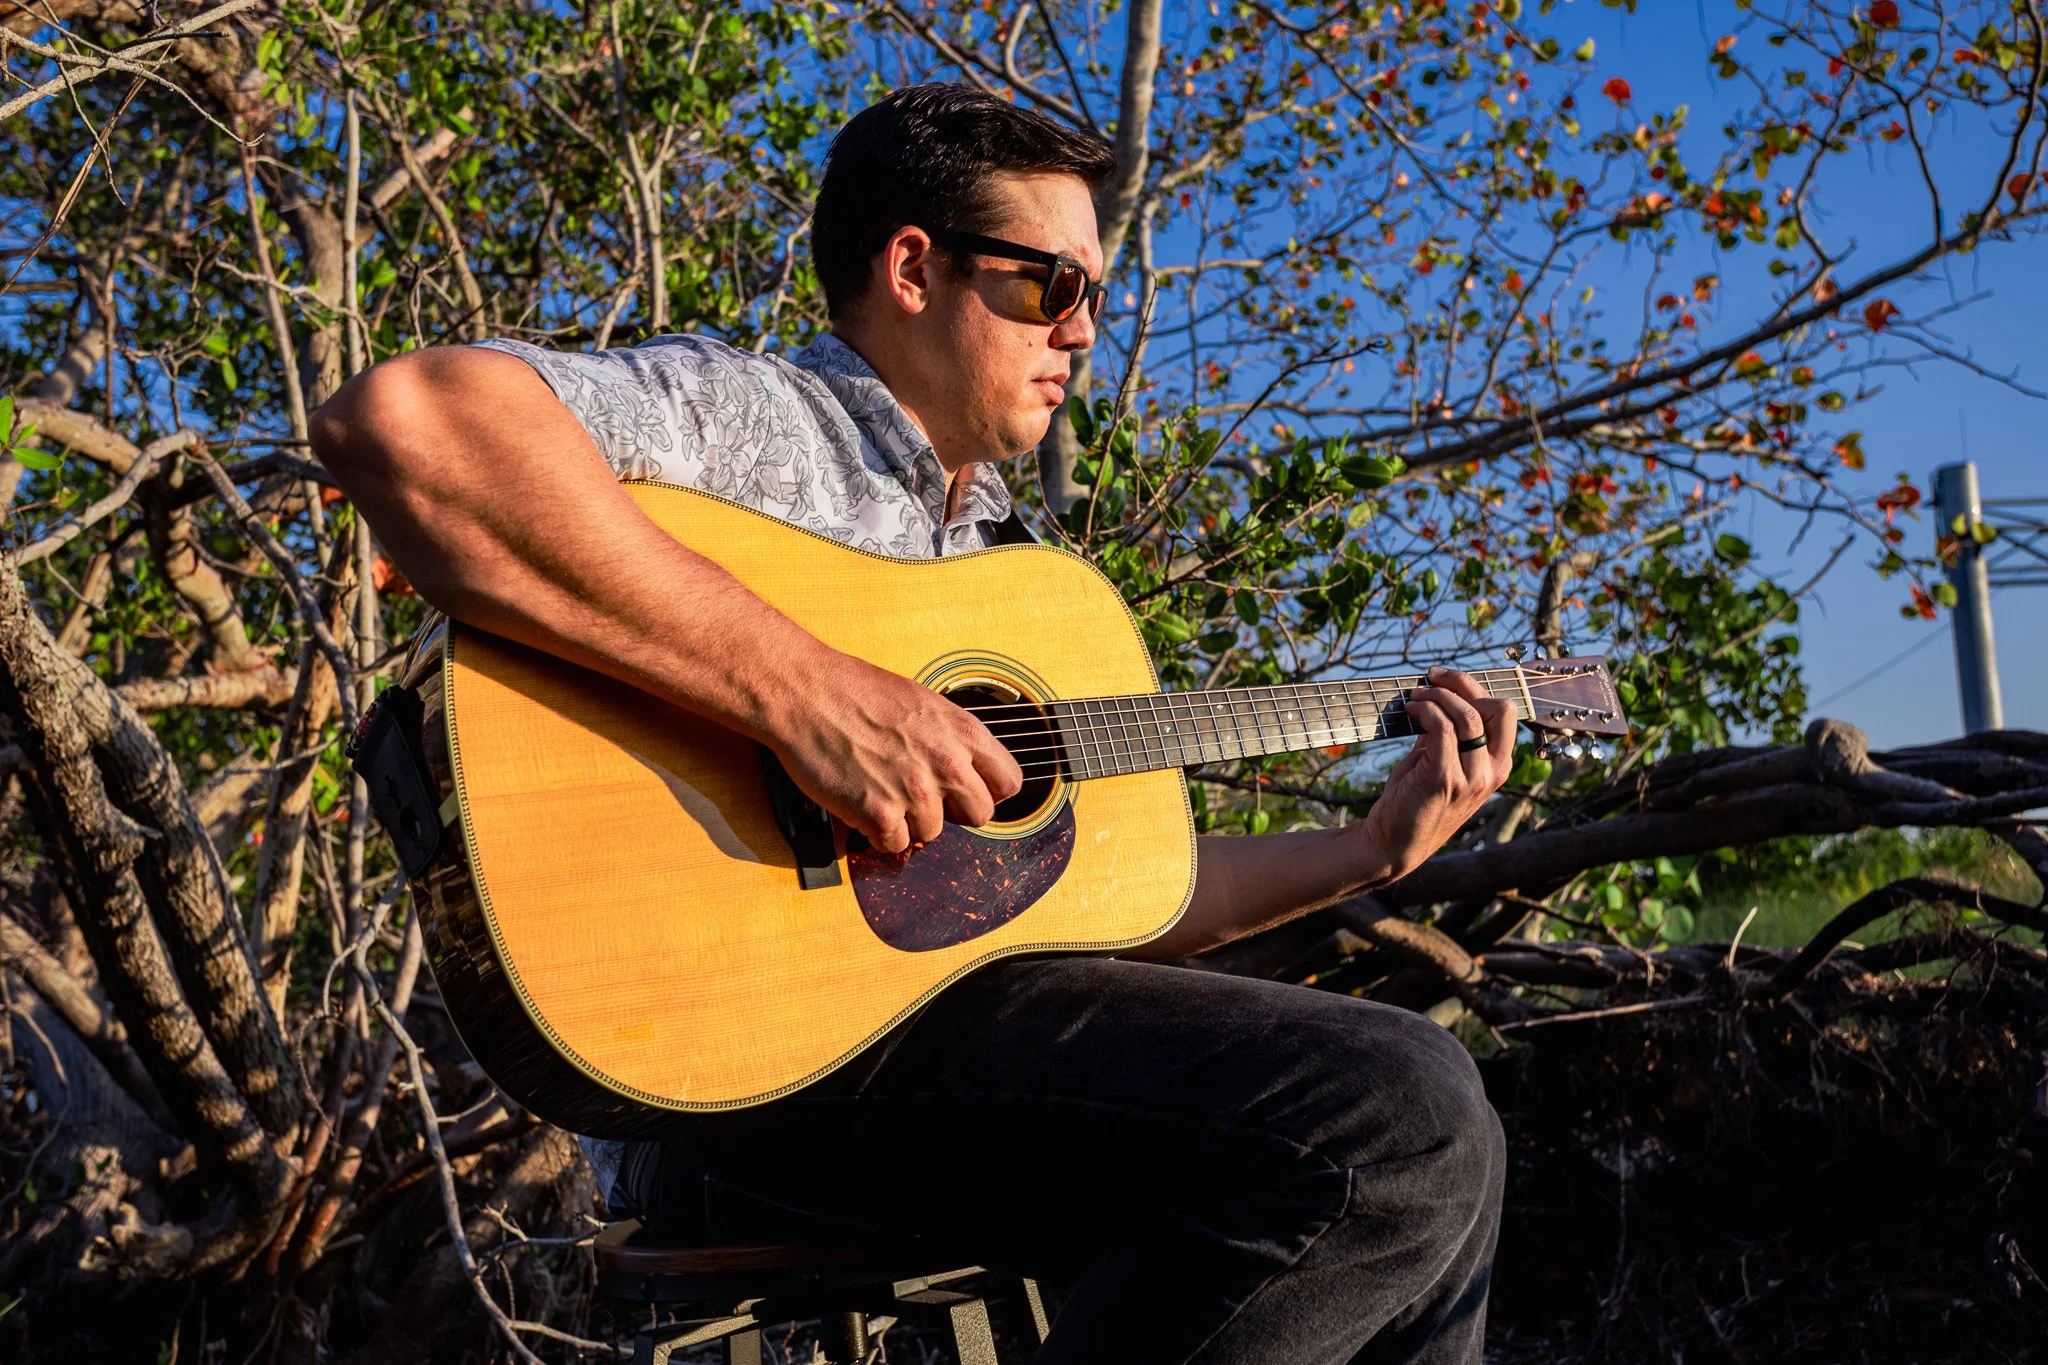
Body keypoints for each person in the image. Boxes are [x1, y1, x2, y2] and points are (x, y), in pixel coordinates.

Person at [312, 82, 1513, 1364]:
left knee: (1446, 1141)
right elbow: (407, 425)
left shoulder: (1019, 578)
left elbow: (1113, 902)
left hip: (954, 1063)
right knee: (1398, 1112)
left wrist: (1366, 852)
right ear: (912, 269)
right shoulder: (756, 426)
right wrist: (805, 693)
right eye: (1052, 284)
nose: (1081, 328)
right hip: (738, 1081)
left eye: (1095, 295)